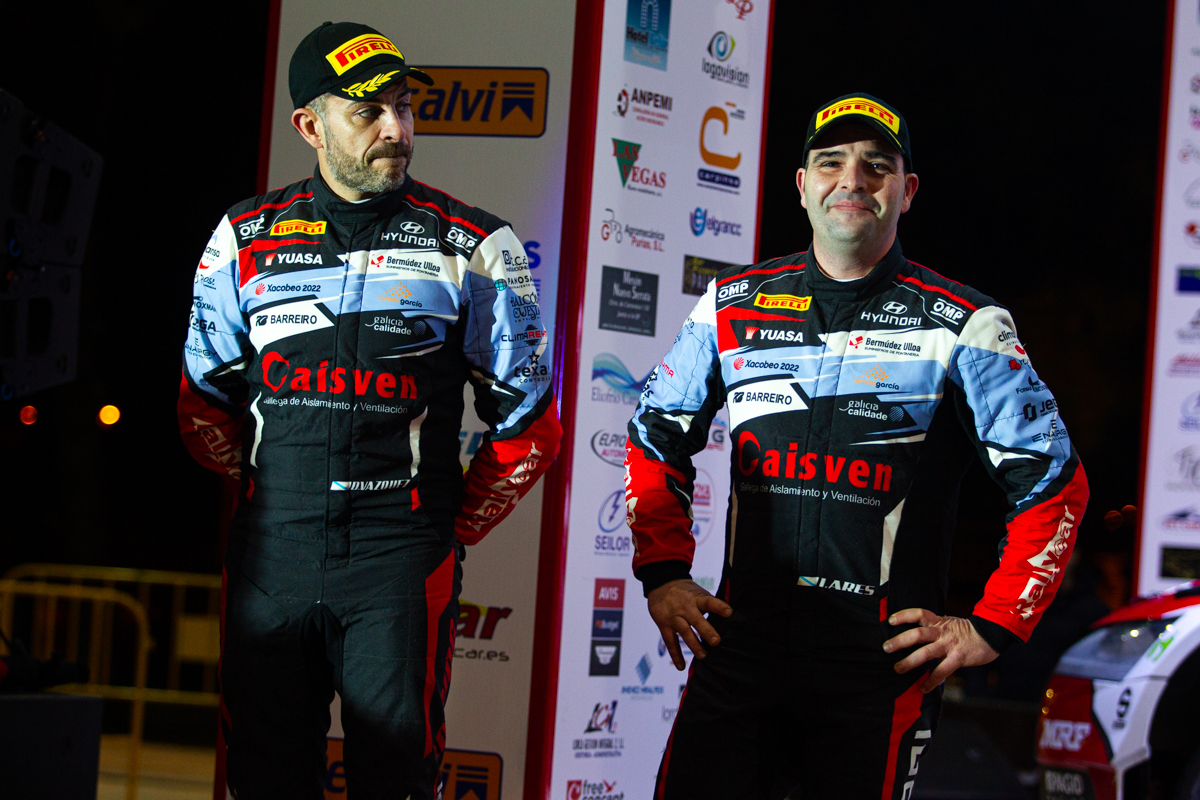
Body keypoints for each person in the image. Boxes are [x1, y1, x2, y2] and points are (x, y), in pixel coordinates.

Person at [624, 93, 1088, 799]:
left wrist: (995, 625)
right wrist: (663, 571)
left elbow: (1052, 483)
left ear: (908, 191)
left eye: (877, 166)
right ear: (801, 184)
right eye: (831, 162)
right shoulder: (731, 304)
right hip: (740, 649)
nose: (852, 180)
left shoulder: (966, 324)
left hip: (876, 670)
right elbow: (654, 432)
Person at [177, 21, 561, 799]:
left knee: (397, 780)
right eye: (368, 112)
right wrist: (272, 496)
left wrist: (443, 527)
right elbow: (201, 405)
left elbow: (529, 425)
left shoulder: (478, 244)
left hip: (398, 559)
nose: (396, 129)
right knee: (262, 777)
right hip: (272, 558)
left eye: (404, 106)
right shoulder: (243, 236)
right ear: (310, 126)